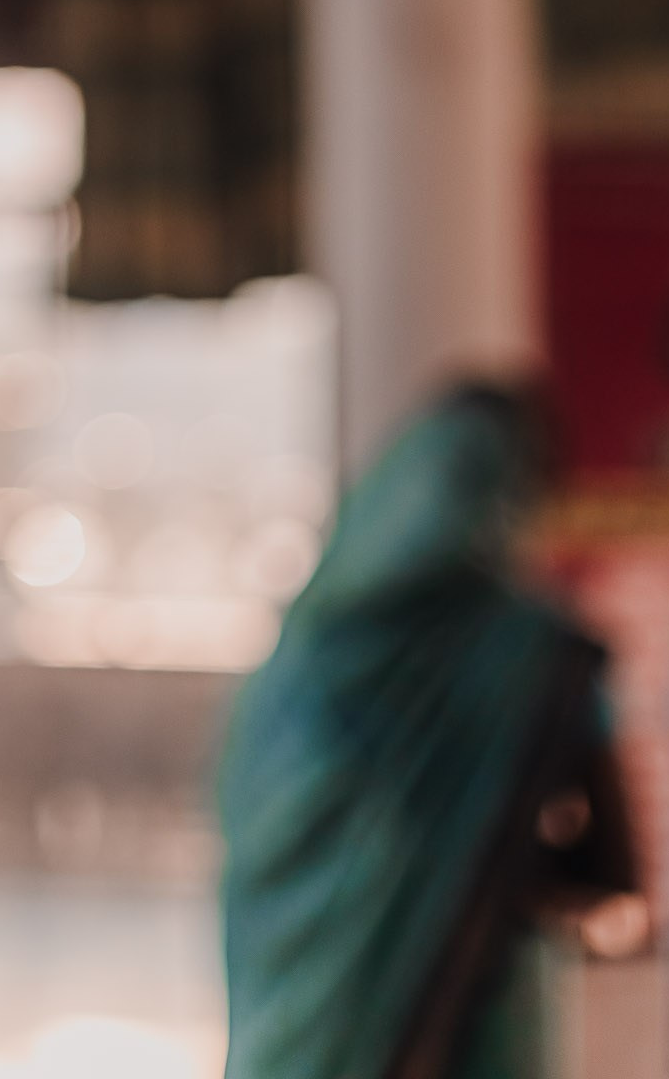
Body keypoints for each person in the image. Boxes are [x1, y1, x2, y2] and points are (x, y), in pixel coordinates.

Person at [219, 378, 647, 1079]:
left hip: (296, 1045)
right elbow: (616, 878)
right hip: (468, 1033)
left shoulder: (298, 663)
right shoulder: (535, 659)